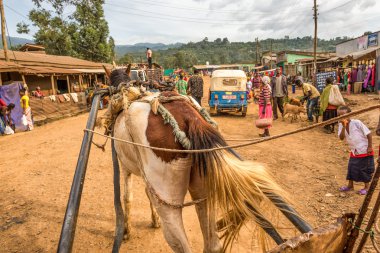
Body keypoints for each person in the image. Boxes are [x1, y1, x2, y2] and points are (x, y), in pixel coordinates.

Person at [338, 106, 374, 195]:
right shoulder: (340, 125)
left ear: (350, 114)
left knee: (364, 169)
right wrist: (343, 126)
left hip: (364, 150)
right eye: (339, 116)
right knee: (351, 168)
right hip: (354, 151)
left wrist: (369, 147)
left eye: (344, 115)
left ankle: (366, 187)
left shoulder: (357, 123)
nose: (341, 117)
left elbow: (369, 134)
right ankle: (350, 186)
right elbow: (341, 137)